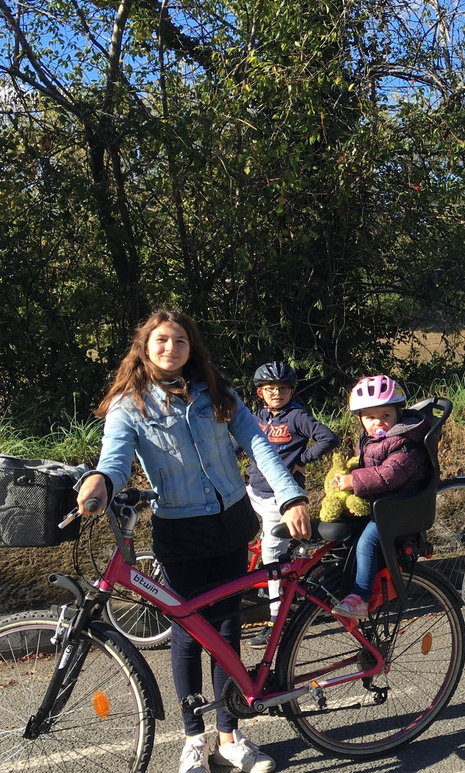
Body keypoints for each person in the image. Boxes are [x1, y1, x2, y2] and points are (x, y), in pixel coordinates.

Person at [74, 311, 311, 773]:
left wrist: (290, 496)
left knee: (225, 630)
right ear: (145, 347)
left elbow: (258, 442)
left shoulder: (214, 389)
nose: (170, 348)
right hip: (179, 532)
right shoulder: (130, 404)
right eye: (161, 340)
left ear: (190, 346)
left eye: (179, 340)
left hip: (230, 524)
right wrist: (100, 481)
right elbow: (116, 460)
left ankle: (230, 737)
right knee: (186, 634)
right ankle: (193, 739)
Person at [244, 361, 339, 648]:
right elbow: (237, 443)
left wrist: (301, 461)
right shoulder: (256, 417)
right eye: (270, 388)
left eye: (283, 388)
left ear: (291, 390)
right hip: (253, 491)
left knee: (272, 558)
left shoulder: (297, 417)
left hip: (281, 499)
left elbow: (328, 438)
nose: (276, 393)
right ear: (261, 393)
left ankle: (277, 621)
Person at [330, 375, 432, 620]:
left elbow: (389, 475)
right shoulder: (371, 440)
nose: (379, 422)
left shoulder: (404, 441)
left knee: (367, 542)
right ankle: (340, 583)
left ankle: (360, 598)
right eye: (370, 417)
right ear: (360, 419)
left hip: (402, 506)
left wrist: (353, 480)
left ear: (398, 413)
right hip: (384, 502)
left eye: (386, 415)